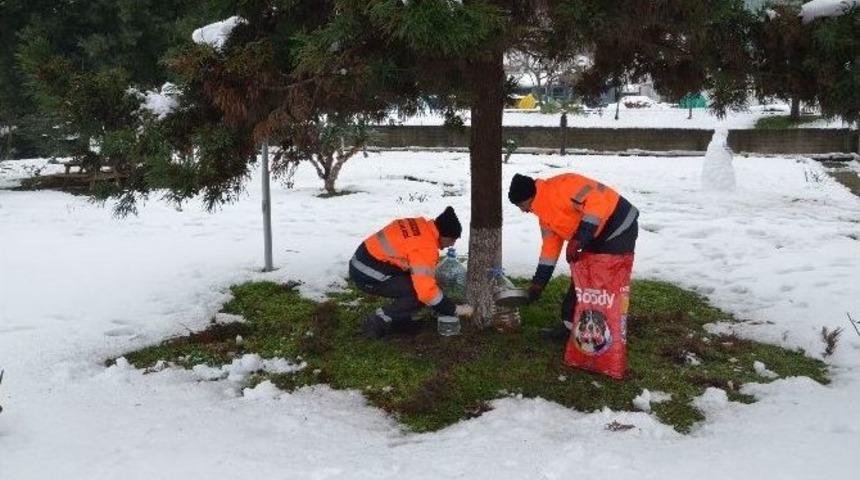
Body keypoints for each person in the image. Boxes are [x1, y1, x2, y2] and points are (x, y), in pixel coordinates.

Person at [507, 173, 639, 341]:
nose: (523, 210)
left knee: (602, 284)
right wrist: (538, 284)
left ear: (529, 196)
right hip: (593, 237)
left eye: (521, 205)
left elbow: (596, 200)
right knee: (581, 279)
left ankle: (606, 335)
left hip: (618, 226)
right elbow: (549, 250)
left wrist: (579, 238)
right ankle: (570, 327)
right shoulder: (544, 216)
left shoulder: (562, 186)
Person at [349, 206, 474, 338]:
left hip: (364, 259)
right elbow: (426, 293)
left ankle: (401, 321)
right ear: (444, 234)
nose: (452, 244)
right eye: (452, 239)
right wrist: (455, 309)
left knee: (419, 283)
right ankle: (377, 321)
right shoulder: (426, 247)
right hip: (365, 271)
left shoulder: (420, 225)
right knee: (417, 292)